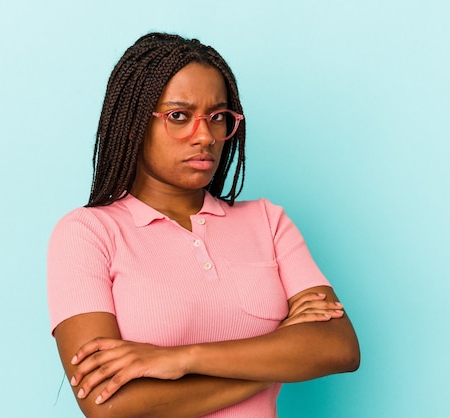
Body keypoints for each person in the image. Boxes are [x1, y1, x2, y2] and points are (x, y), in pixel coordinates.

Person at [47, 32, 360, 418]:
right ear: (132, 124)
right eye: (179, 116)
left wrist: (182, 360)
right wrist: (280, 352)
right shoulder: (87, 234)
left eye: (218, 118)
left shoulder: (267, 221)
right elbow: (110, 406)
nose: (205, 136)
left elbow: (337, 348)